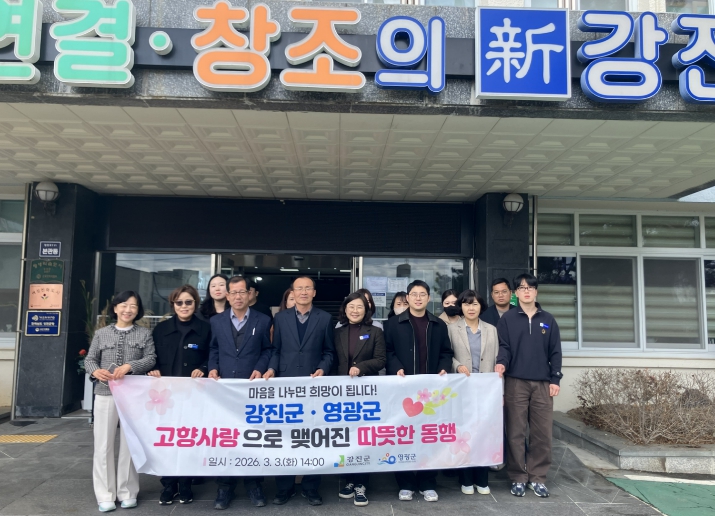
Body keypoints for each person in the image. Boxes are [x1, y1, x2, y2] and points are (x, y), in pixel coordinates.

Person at [264, 276, 336, 506]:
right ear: (292, 293)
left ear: (314, 292)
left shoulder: (325, 318)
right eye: (299, 288)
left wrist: (323, 368)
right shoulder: (280, 318)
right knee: (285, 437)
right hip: (286, 385)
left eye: (308, 288)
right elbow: (276, 350)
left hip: (313, 386)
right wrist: (272, 369)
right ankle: (284, 487)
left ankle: (311, 487)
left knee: (313, 437)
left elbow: (329, 352)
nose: (303, 292)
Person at [84, 291, 156, 513]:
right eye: (123, 305)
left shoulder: (144, 334)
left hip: (133, 396)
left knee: (130, 443)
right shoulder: (101, 333)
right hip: (105, 393)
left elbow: (151, 358)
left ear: (138, 310)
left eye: (133, 306)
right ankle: (105, 494)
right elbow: (90, 359)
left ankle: (127, 491)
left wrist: (130, 366)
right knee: (103, 444)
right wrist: (95, 371)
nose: (128, 310)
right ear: (115, 308)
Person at [207, 275, 273, 510]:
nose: (237, 296)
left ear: (249, 294)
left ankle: (254, 484)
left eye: (242, 292)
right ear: (227, 296)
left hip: (251, 390)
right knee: (226, 437)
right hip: (224, 390)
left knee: (253, 437)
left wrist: (260, 368)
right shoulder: (216, 321)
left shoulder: (263, 320)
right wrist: (213, 368)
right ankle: (225, 486)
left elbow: (267, 350)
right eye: (233, 292)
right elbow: (214, 349)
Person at [384, 280, 453, 503]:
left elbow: (446, 352)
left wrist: (443, 367)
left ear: (429, 298)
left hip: (430, 393)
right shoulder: (393, 324)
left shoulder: (438, 324)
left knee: (429, 437)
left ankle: (427, 482)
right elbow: (388, 351)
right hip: (402, 390)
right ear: (408, 298)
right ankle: (405, 483)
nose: (418, 298)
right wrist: (396, 367)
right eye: (414, 294)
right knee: (402, 436)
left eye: (422, 294)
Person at [495, 273, 563, 499]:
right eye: (522, 288)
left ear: (536, 291)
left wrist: (555, 379)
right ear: (516, 293)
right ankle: (518, 476)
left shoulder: (548, 319)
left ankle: (538, 477)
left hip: (543, 383)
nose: (526, 291)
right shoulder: (508, 319)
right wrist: (501, 363)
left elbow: (555, 352)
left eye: (530, 287)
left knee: (542, 433)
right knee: (515, 432)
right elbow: (504, 347)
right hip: (516, 382)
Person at [148, 285, 211, 506]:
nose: (184, 306)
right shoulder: (161, 329)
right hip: (165, 397)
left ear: (195, 304)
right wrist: (153, 368)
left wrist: (203, 368)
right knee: (166, 440)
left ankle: (185, 484)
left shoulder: (205, 329)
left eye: (188, 302)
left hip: (194, 395)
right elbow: (151, 356)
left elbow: (212, 355)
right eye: (179, 303)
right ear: (173, 305)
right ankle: (168, 484)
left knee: (187, 439)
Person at [334, 292, 386, 507]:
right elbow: (332, 358)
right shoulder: (337, 332)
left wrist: (361, 367)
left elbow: (381, 360)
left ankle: (361, 483)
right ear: (345, 309)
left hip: (366, 393)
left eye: (359, 307)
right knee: (345, 437)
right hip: (341, 393)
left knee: (363, 438)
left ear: (366, 310)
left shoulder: (375, 332)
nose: (355, 311)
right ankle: (349, 480)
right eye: (351, 307)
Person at [449, 289, 498, 497]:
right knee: (465, 434)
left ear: (481, 307)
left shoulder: (491, 330)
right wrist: (457, 365)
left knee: (484, 434)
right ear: (461, 307)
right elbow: (447, 354)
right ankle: (466, 478)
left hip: (486, 390)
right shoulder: (452, 329)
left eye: (475, 304)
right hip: (462, 388)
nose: (471, 308)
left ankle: (482, 478)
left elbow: (497, 359)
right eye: (467, 304)